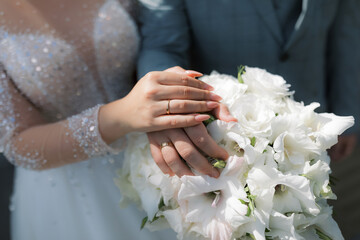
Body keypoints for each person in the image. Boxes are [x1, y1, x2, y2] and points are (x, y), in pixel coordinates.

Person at [0, 0, 228, 239]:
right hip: (74, 192)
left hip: (154, 151)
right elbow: (18, 144)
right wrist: (121, 116)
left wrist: (166, 95)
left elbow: (154, 41)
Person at [137, 0, 360, 238]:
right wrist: (169, 102)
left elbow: (347, 30)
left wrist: (347, 107)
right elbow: (161, 44)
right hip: (227, 149)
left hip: (325, 128)